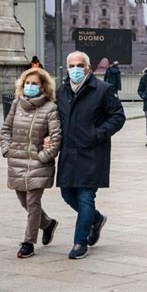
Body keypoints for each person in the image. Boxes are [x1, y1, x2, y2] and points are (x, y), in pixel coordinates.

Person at [54, 51, 126, 259]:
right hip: (68, 151)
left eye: (79, 65)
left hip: (92, 152)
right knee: (67, 194)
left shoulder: (103, 89)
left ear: (88, 67)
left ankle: (80, 241)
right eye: (71, 66)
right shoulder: (62, 91)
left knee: (86, 197)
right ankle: (96, 219)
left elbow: (118, 117)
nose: (75, 69)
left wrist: (98, 134)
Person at [0, 68, 61, 258]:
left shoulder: (50, 108)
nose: (30, 86)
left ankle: (28, 242)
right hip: (16, 160)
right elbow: (6, 129)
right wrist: (6, 149)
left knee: (33, 202)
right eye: (27, 83)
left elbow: (56, 138)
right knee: (23, 200)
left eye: (34, 84)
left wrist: (43, 156)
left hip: (38, 163)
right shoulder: (17, 104)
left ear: (43, 87)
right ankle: (48, 224)